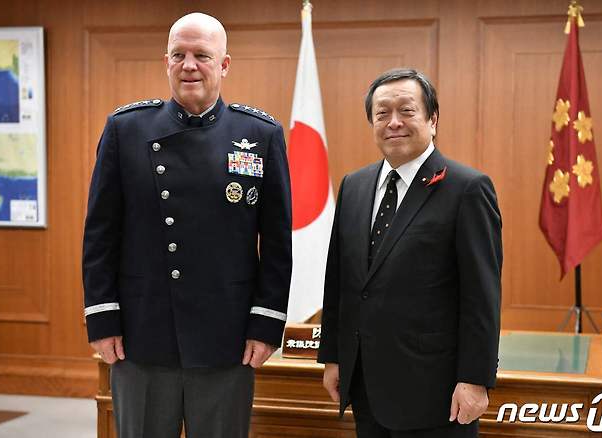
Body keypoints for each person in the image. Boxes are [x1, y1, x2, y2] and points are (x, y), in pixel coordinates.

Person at [82, 12, 292, 438]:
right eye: (178, 55)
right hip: (141, 335)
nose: (189, 65)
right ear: (166, 62)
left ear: (225, 64)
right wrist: (103, 320)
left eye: (201, 55)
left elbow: (276, 242)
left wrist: (266, 324)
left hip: (227, 338)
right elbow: (100, 233)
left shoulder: (259, 134)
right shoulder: (126, 129)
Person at [317, 68, 502, 438]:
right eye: (382, 113)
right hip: (365, 385)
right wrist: (334, 357)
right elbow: (341, 281)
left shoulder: (467, 189)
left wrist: (475, 379)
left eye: (407, 111)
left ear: (433, 119)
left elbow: (482, 297)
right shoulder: (354, 186)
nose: (393, 122)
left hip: (436, 393)